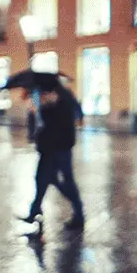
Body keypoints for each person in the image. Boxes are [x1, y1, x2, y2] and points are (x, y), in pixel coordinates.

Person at [19, 85, 85, 231]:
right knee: (41, 179)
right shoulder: (57, 102)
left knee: (60, 181)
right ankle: (34, 211)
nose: (42, 95)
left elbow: (55, 128)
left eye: (44, 93)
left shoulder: (61, 104)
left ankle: (79, 213)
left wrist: (43, 109)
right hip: (50, 149)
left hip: (57, 149)